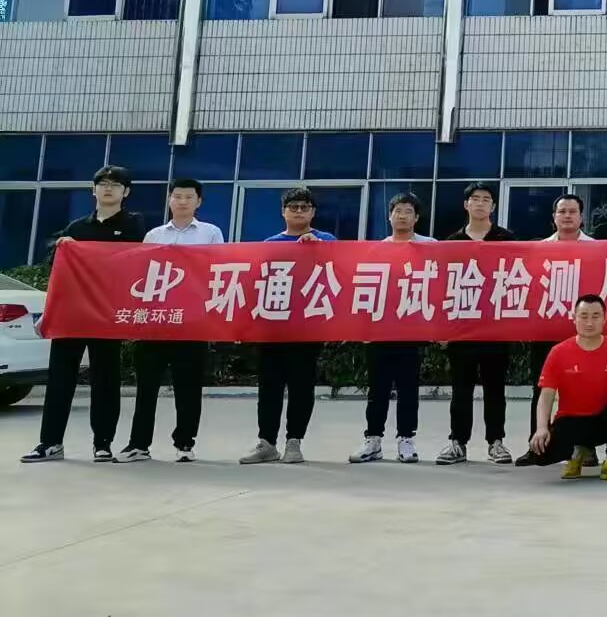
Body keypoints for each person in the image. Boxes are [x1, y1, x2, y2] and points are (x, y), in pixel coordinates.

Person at [20, 165, 146, 464]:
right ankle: (50, 442)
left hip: (106, 313)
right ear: (93, 190)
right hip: (72, 313)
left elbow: (133, 261)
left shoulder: (133, 224)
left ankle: (103, 443)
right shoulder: (76, 227)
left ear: (126, 192)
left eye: (115, 184)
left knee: (106, 379)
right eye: (102, 183)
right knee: (60, 378)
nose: (108, 189)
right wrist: (62, 247)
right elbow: (57, 269)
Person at [118, 177, 224, 464]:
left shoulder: (210, 233)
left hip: (191, 323)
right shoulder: (154, 235)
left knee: (188, 387)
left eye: (189, 197)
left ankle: (185, 443)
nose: (182, 201)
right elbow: (141, 272)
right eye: (177, 196)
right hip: (155, 321)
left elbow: (217, 270)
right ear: (169, 199)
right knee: (146, 387)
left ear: (198, 202)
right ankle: (138, 444)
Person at [241, 187, 333, 464]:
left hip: (308, 326)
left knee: (301, 387)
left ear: (313, 212)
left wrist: (318, 247)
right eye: (293, 207)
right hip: (273, 324)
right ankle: (267, 442)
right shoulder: (270, 243)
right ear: (283, 212)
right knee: (269, 387)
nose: (299, 211)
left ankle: (294, 442)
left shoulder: (326, 240)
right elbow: (257, 280)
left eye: (305, 207)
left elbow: (338, 270)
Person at [350, 192, 434, 464]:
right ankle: (373, 440)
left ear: (416, 217)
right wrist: (363, 327)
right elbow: (366, 288)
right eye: (398, 211)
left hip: (413, 329)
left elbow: (440, 287)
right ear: (389, 216)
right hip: (380, 330)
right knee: (378, 389)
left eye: (408, 211)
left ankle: (406, 439)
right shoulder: (376, 250)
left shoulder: (431, 246)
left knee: (409, 388)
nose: (402, 216)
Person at [437, 182, 517, 466]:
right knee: (461, 389)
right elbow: (443, 286)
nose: (480, 203)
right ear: (466, 205)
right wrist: (442, 327)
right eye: (475, 198)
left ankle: (496, 442)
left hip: (496, 327)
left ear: (493, 206)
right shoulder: (452, 242)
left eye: (486, 199)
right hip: (462, 327)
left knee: (495, 388)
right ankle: (457, 442)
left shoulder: (507, 239)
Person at [521, 295, 607, 482]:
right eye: (583, 316)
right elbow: (546, 395)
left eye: (595, 316)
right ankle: (577, 453)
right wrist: (541, 428)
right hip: (570, 422)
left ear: (605, 318)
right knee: (541, 455)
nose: (589, 323)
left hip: (601, 421)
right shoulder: (559, 352)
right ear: (574, 318)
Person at [532, 193, 588, 432]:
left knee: (583, 387)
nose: (567, 216)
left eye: (572, 211)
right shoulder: (538, 250)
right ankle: (538, 439)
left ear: (581, 217)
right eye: (562, 211)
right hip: (545, 329)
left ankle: (582, 444)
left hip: (584, 331)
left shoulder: (598, 249)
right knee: (542, 386)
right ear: (554, 217)